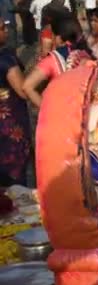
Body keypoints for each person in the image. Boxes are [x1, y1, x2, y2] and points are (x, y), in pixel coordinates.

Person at [23, 15, 92, 108]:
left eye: (53, 36)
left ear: (58, 38)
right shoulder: (86, 53)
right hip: (84, 111)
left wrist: (47, 109)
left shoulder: (52, 60)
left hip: (61, 114)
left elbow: (27, 86)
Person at [0, 19, 30, 186]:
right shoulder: (6, 60)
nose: (6, 31)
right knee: (14, 166)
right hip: (11, 124)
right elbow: (23, 90)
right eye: (2, 29)